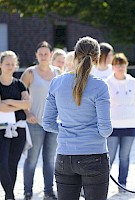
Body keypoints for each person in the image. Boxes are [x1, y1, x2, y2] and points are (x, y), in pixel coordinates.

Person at [42, 36, 112, 200]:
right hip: (94, 155)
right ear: (96, 58)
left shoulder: (57, 83)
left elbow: (47, 123)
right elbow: (105, 130)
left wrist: (68, 129)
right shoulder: (100, 86)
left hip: (65, 156)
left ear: (74, 55)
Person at [21, 41, 60, 200]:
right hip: (34, 122)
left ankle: (48, 191)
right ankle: (27, 191)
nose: (43, 56)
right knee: (32, 159)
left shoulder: (58, 72)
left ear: (51, 55)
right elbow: (20, 95)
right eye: (40, 54)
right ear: (36, 55)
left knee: (50, 160)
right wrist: (27, 113)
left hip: (53, 123)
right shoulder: (30, 73)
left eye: (46, 53)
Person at [106, 53, 135, 192]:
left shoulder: (133, 82)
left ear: (126, 65)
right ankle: (103, 184)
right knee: (110, 156)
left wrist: (129, 111)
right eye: (117, 64)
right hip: (113, 126)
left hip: (130, 124)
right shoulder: (107, 83)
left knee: (124, 156)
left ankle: (122, 184)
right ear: (113, 66)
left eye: (122, 64)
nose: (120, 67)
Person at [0, 51, 31, 200]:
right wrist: (18, 105)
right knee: (2, 164)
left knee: (13, 164)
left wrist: (8, 102)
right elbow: (0, 108)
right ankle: (10, 194)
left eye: (13, 64)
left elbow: (27, 103)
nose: (10, 67)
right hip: (1, 129)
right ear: (0, 65)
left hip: (19, 128)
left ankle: (8, 195)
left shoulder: (19, 84)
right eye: (7, 64)